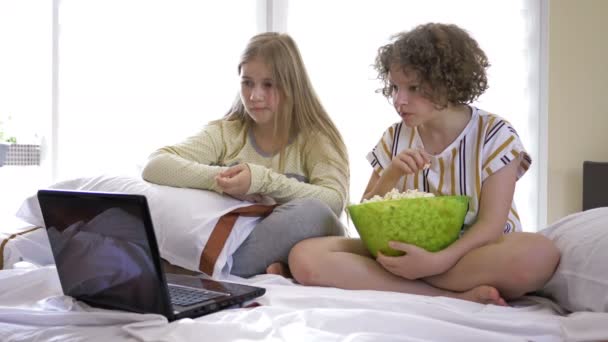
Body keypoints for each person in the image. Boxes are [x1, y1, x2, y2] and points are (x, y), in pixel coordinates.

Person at [287, 23, 560, 305]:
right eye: (395, 87)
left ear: (448, 82)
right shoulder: (394, 137)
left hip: (472, 253)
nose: (399, 100)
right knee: (304, 256)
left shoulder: (495, 134)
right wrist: (391, 173)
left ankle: (399, 278)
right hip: (402, 251)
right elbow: (364, 215)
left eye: (414, 87)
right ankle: (447, 295)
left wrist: (437, 262)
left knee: (539, 254)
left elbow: (492, 225)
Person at [142, 32, 348, 278]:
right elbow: (155, 165)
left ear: (291, 85)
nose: (254, 96)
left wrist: (261, 180)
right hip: (237, 241)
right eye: (247, 82)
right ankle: (269, 269)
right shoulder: (227, 132)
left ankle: (196, 270)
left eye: (268, 84)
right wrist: (223, 180)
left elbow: (334, 201)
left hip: (292, 236)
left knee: (312, 213)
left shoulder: (316, 138)